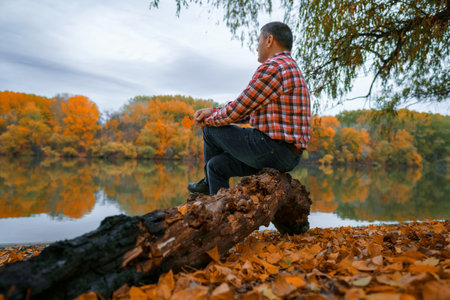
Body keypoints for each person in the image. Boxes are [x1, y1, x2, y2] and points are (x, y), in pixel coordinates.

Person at [188, 21, 311, 195]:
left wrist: (208, 120)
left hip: (273, 149)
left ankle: (207, 185)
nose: (256, 47)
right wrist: (214, 111)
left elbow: (239, 108)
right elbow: (250, 112)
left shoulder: (274, 67)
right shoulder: (289, 66)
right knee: (215, 166)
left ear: (269, 40)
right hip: (288, 156)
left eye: (258, 40)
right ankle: (218, 211)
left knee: (209, 130)